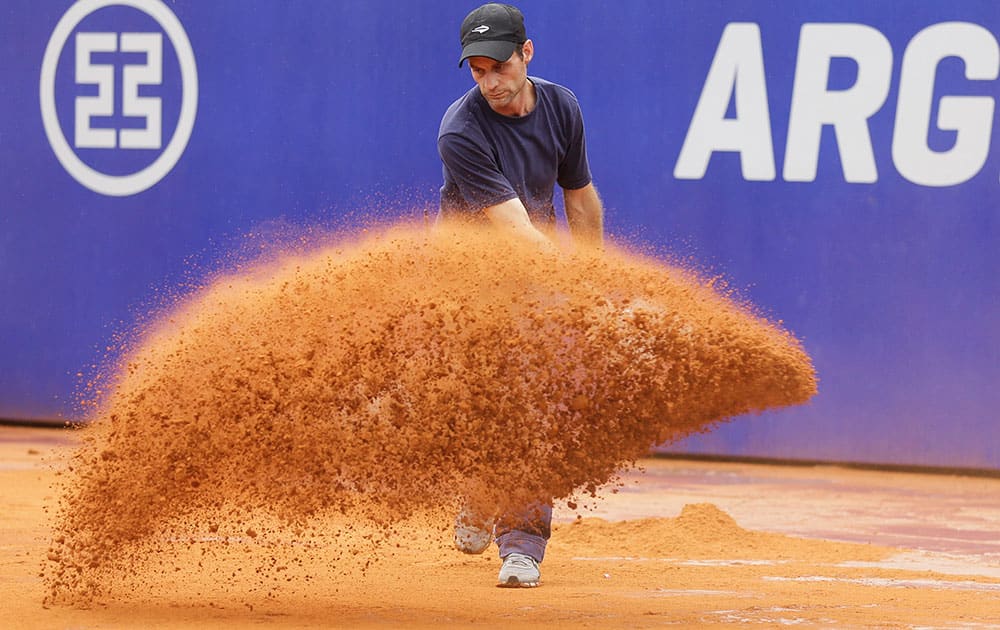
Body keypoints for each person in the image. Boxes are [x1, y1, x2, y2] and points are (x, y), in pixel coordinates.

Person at [437, 3, 605, 588]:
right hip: (469, 280)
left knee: (533, 403)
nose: (489, 82)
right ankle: (480, 486)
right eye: (477, 71)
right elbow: (514, 231)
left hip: (537, 278)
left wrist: (593, 277)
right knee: (481, 403)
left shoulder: (562, 107)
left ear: (526, 54)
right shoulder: (460, 131)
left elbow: (580, 201)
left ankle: (522, 544)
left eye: (499, 67)